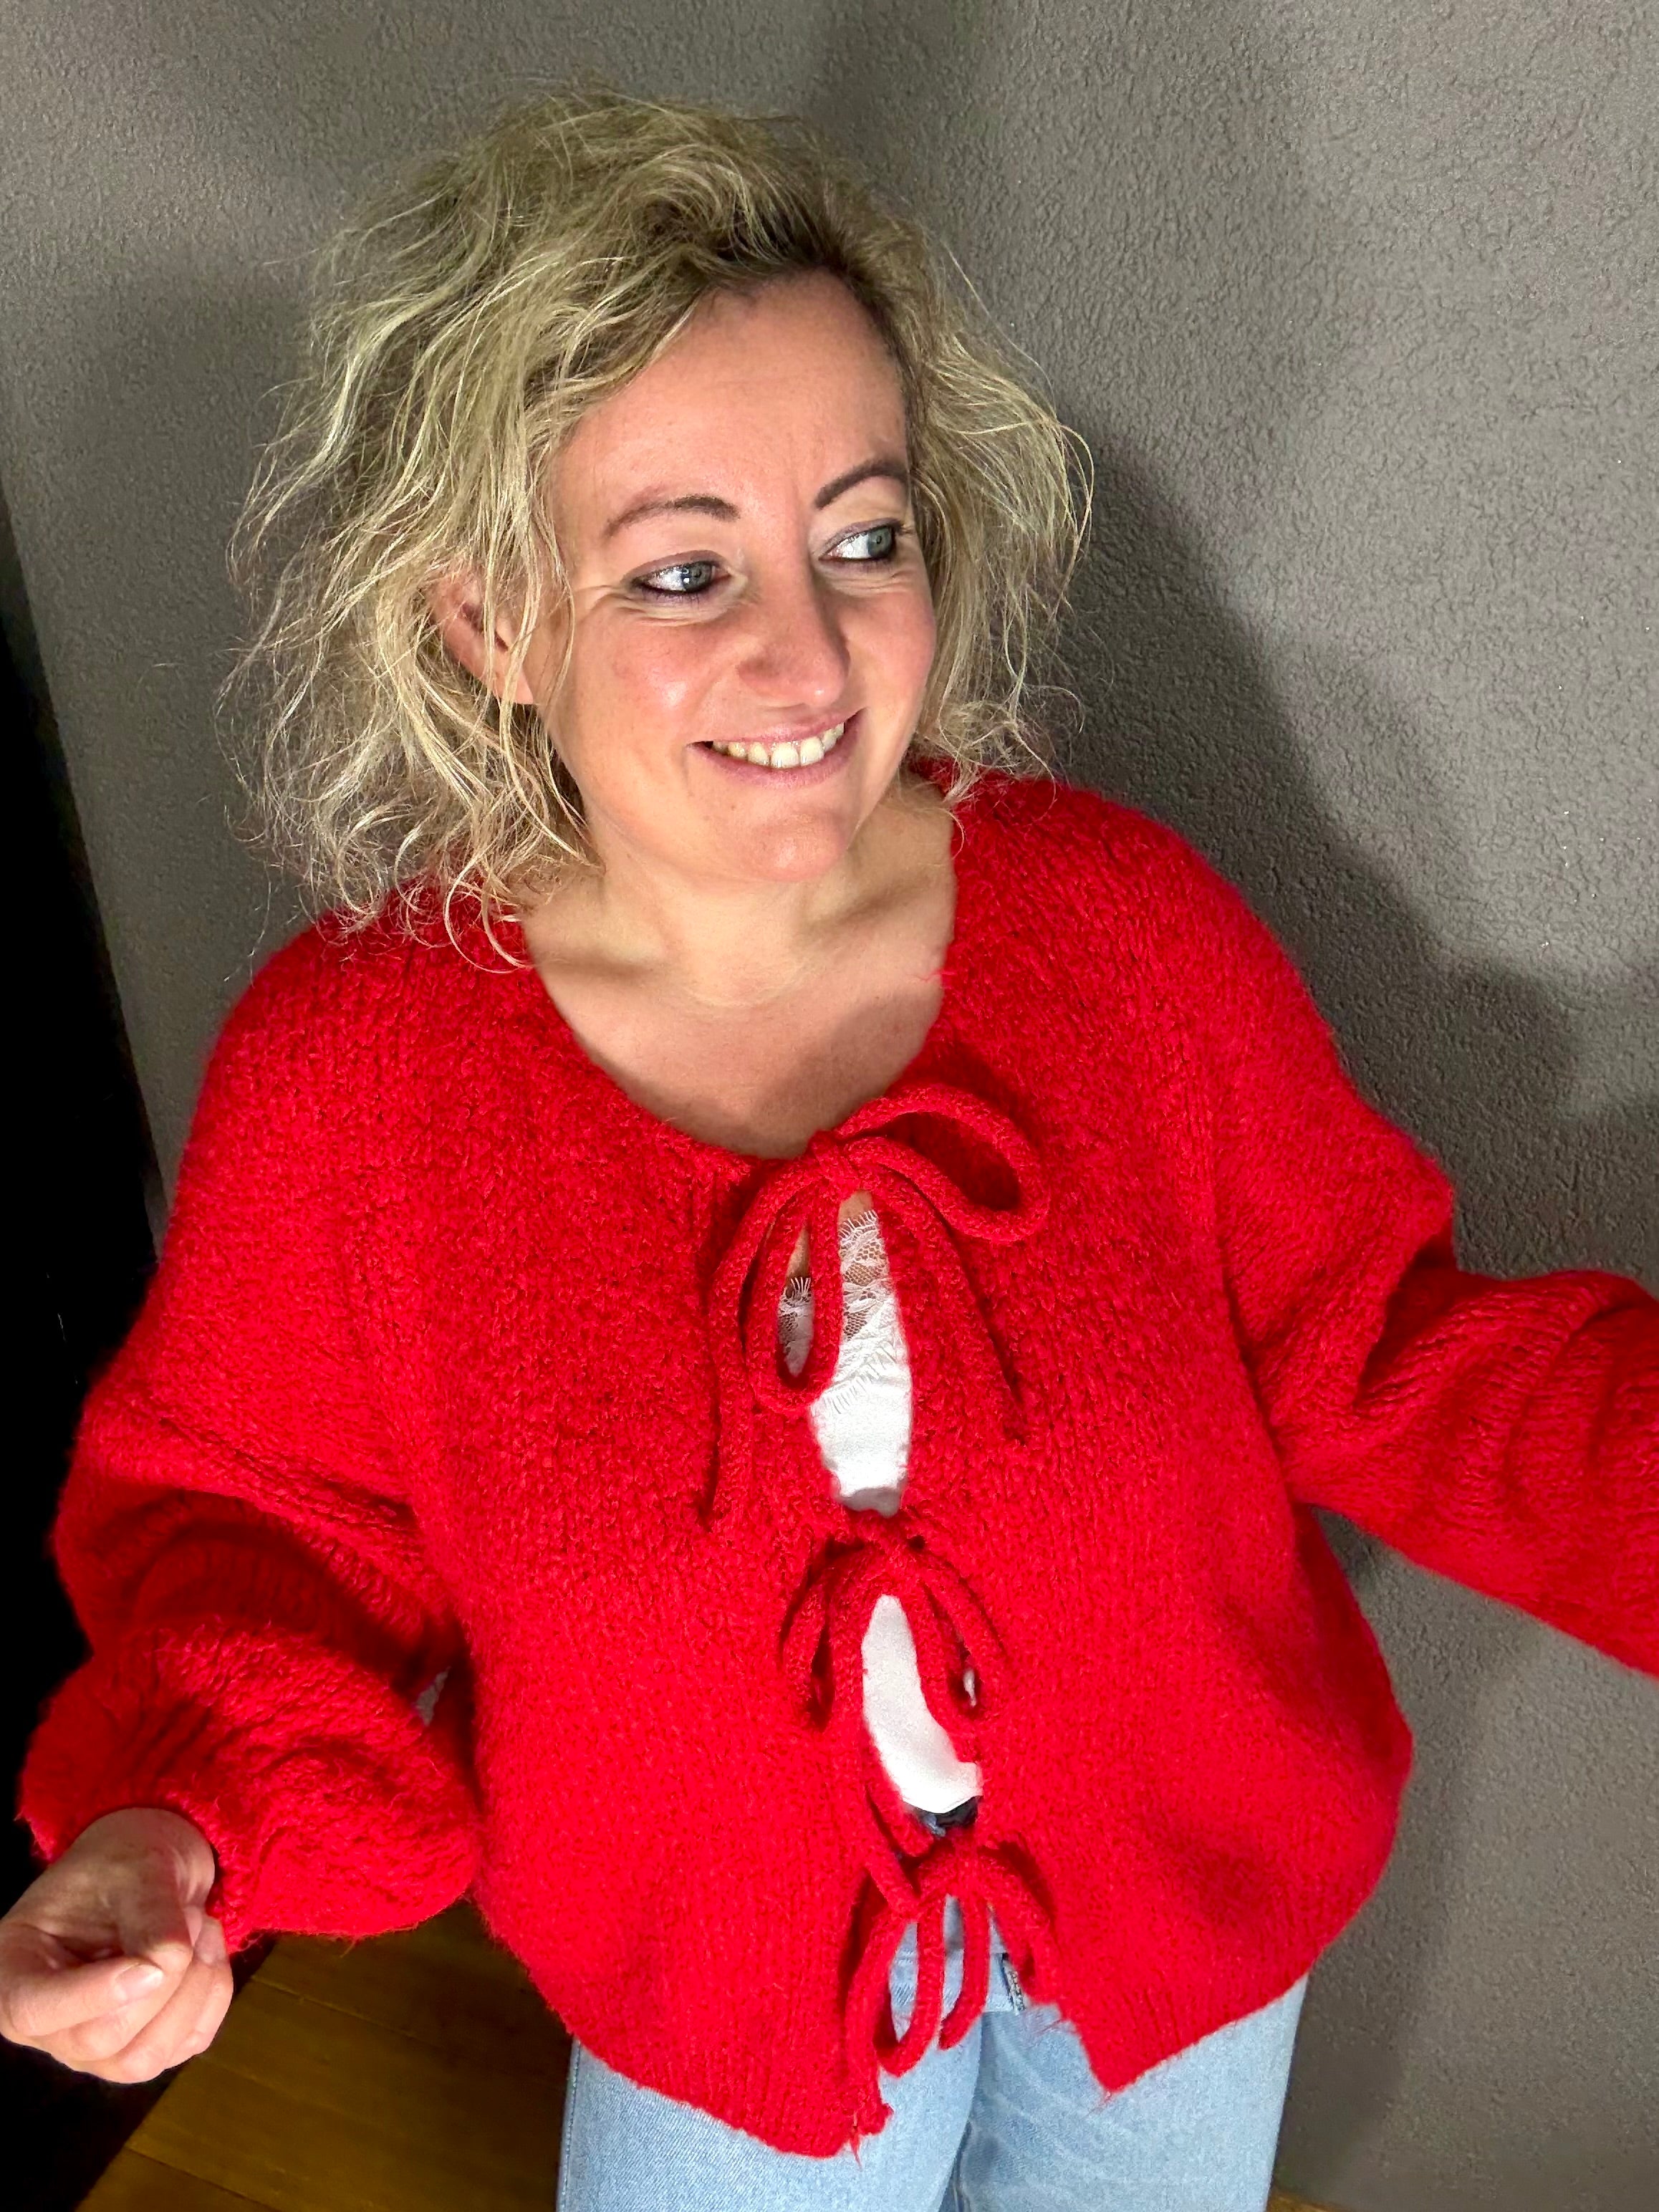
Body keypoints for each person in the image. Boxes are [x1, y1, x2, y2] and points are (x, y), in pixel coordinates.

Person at [2, 85, 1655, 2212]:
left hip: (1178, 1934)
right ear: (488, 622)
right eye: (683, 569)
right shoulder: (356, 1079)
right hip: (723, 2002)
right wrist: (180, 1818)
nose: (806, 654)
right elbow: (259, 1529)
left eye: (863, 538)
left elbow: (1392, 1353)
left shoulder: (1120, 932)